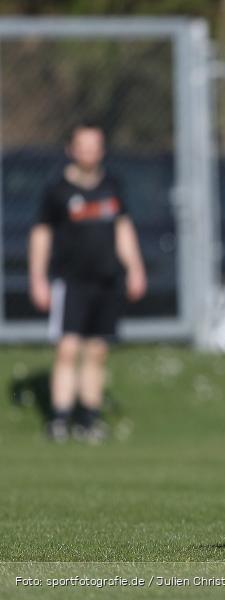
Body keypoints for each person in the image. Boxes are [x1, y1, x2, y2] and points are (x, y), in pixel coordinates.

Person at [28, 123, 147, 443]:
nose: (89, 152)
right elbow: (41, 235)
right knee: (67, 348)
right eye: (83, 146)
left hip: (106, 280)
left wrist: (135, 268)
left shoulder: (112, 185)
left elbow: (123, 228)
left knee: (97, 351)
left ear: (102, 150)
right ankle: (60, 418)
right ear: (71, 149)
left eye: (95, 146)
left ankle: (88, 419)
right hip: (71, 281)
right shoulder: (57, 190)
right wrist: (38, 277)